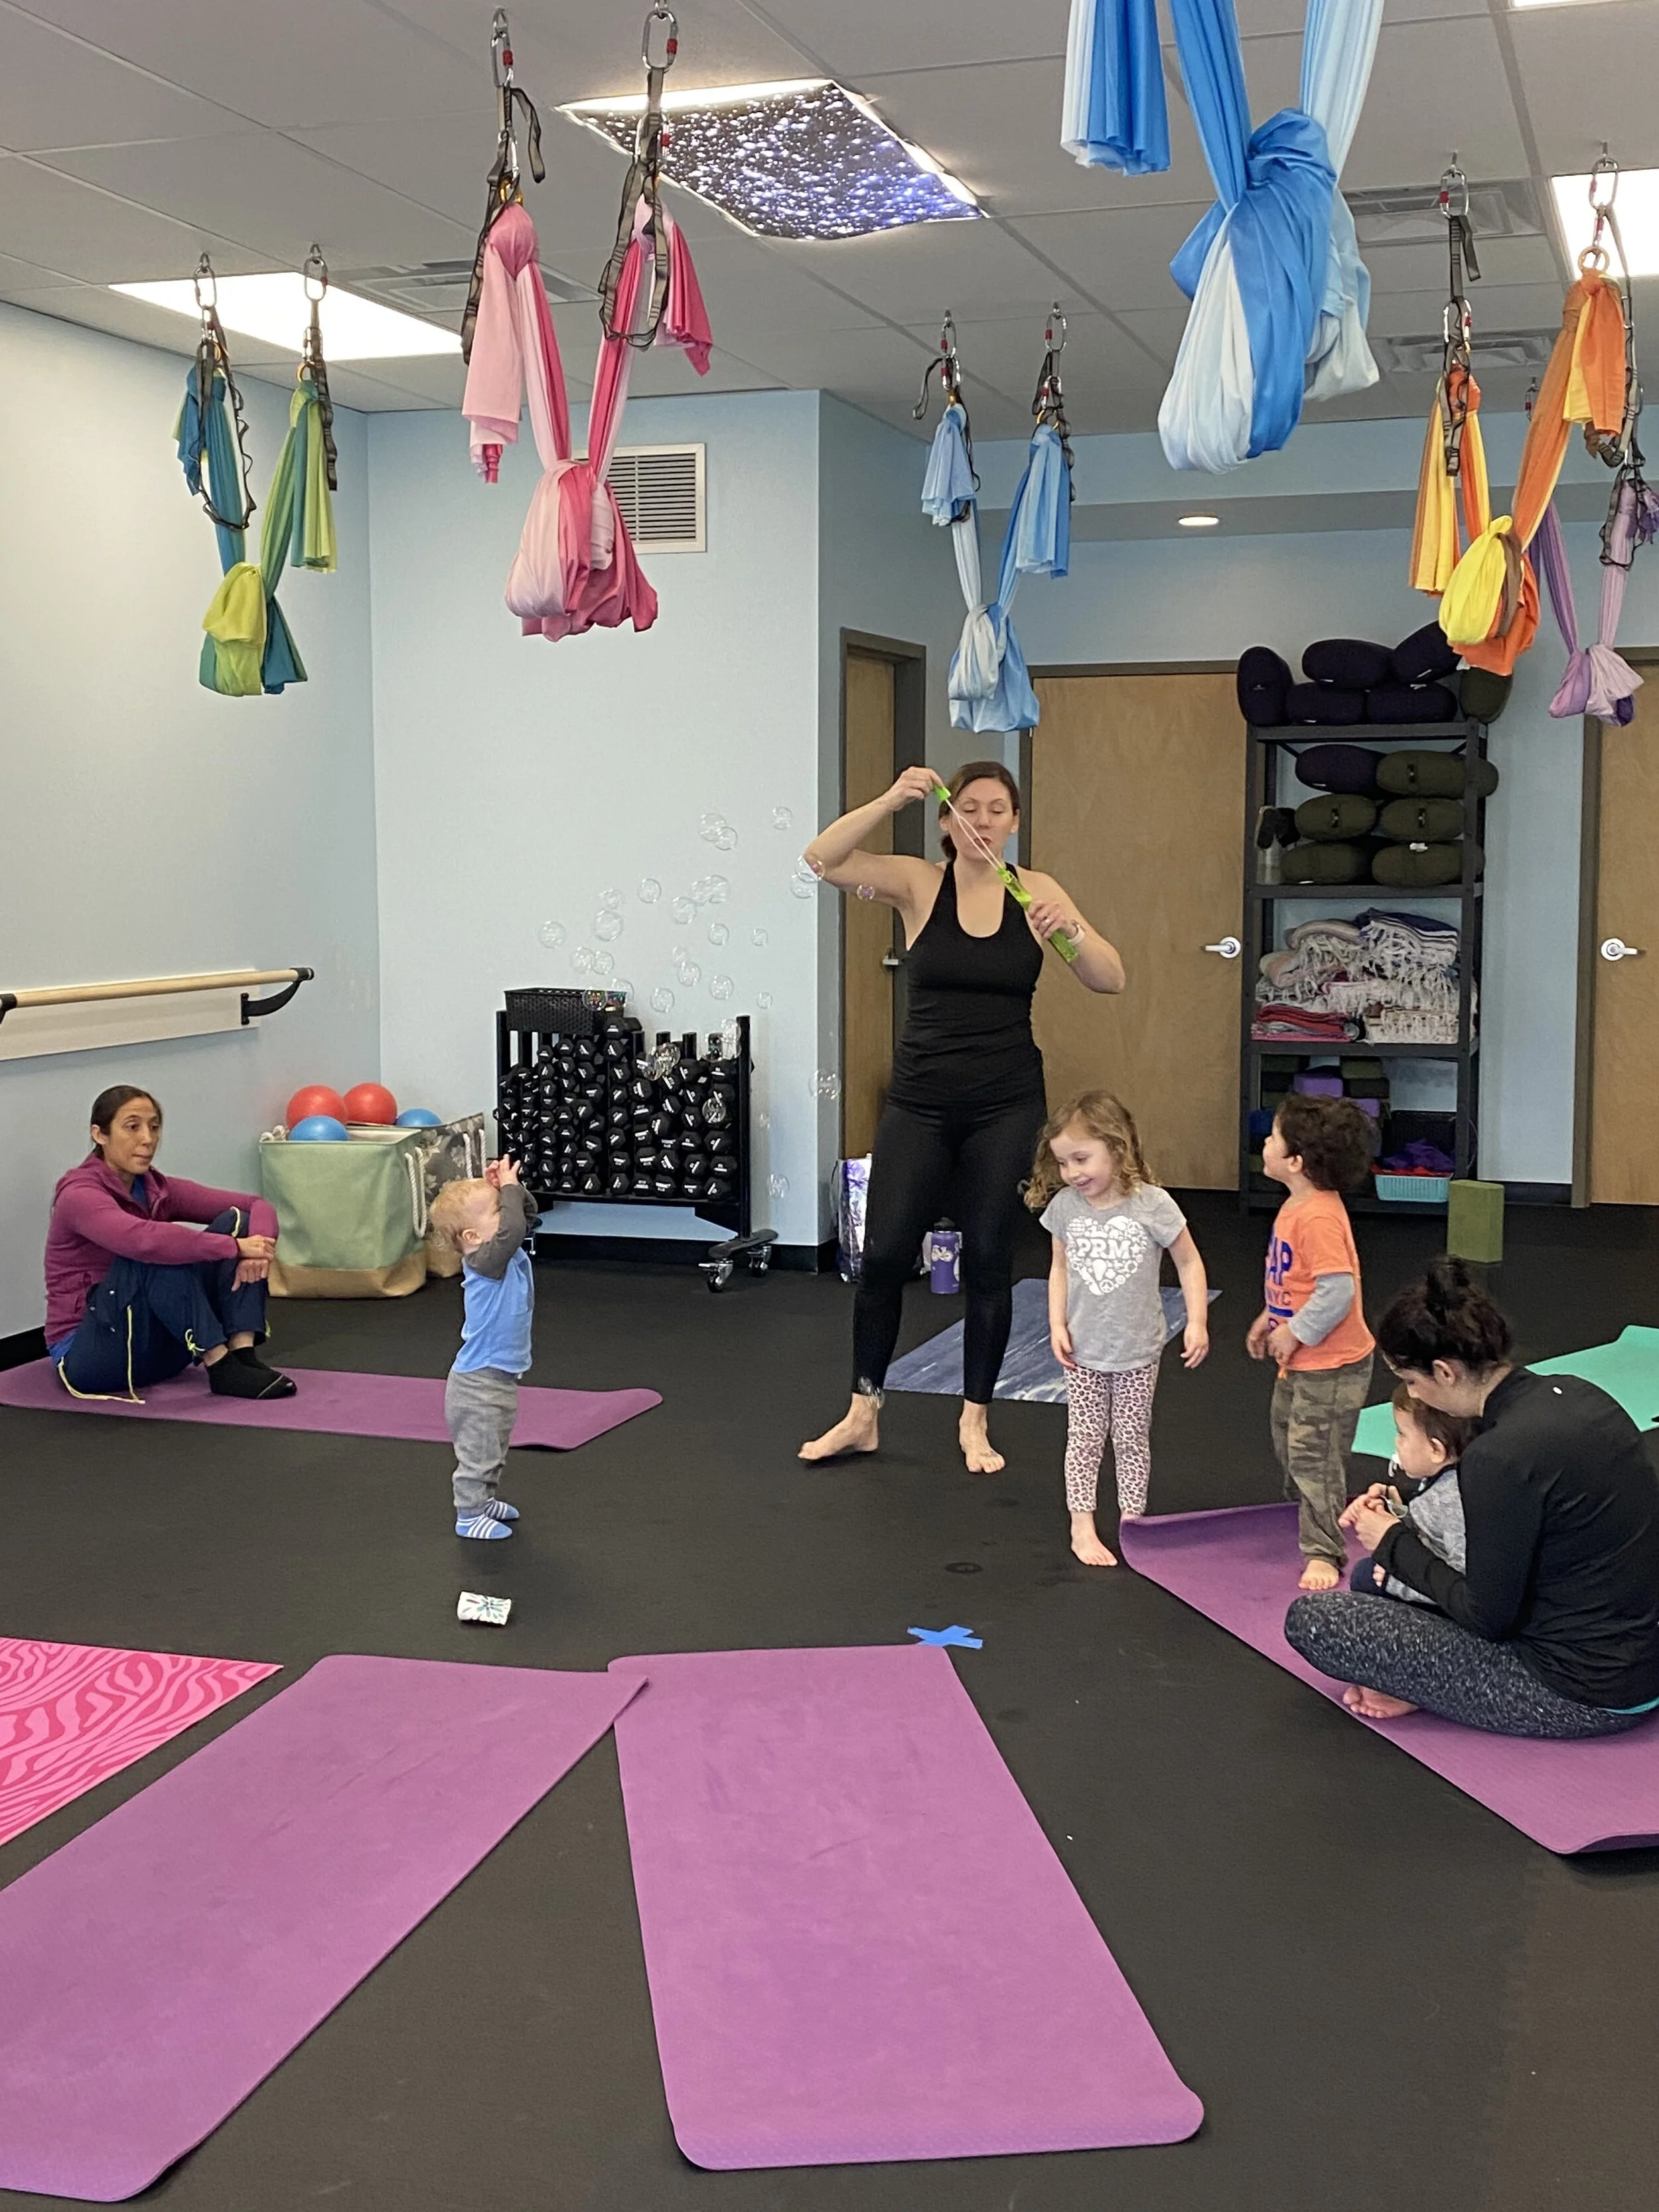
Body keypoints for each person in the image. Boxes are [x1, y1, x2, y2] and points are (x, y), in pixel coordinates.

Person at [798, 761, 1125, 1475]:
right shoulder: (919, 884)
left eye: (996, 809)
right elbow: (821, 859)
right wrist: (890, 798)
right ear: (946, 822)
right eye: (967, 809)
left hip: (1005, 1103)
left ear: (1013, 821)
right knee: (883, 1257)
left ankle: (974, 1421)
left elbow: (1109, 977)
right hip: (918, 1100)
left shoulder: (1035, 891)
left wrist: (1067, 931)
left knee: (986, 1261)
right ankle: (862, 1413)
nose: (981, 821)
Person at [1287, 1258, 1659, 1738]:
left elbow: (1489, 1618)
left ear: (1444, 1371)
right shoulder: (1580, 1397)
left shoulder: (1498, 1458)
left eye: (1412, 1381)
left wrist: (1393, 1542)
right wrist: (1402, 1503)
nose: (1411, 1393)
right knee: (1371, 1581)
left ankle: (1412, 1685)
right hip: (1642, 1659)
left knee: (1315, 1620)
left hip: (1579, 1691)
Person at [1027, 1090, 1209, 1568]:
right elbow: (1059, 1268)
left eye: (1082, 1159)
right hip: (1084, 1348)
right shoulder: (1067, 1207)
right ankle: (1081, 1523)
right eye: (1064, 1163)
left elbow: (1189, 1262)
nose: (1072, 1173)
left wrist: (1197, 1321)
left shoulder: (1153, 1204)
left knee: (1131, 1437)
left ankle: (1134, 1520)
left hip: (1139, 1348)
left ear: (1118, 1146)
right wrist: (1056, 1322)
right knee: (1084, 1437)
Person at [45, 1084, 294, 1402]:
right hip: (90, 1355)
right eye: (132, 1127)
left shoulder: (155, 1187)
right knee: (156, 1251)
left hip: (157, 1349)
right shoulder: (79, 1195)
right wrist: (234, 1249)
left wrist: (256, 1251)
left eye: (154, 1127)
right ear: (100, 1135)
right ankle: (220, 1366)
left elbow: (256, 1206)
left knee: (237, 1223)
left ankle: (242, 1356)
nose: (148, 1139)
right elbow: (143, 1242)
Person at [1246, 1095, 1376, 1591]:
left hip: (1332, 1364)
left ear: (1296, 1161)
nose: (1265, 1141)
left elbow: (1337, 1291)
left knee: (1313, 1453)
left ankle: (1324, 1548)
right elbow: (1297, 1282)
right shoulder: (1297, 1206)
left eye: (1273, 1137)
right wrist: (1271, 1317)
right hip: (1302, 1358)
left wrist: (1295, 1330)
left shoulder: (1318, 1217)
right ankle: (1306, 1509)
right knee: (1286, 1434)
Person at [429, 1157, 540, 1540]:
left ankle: (484, 1501)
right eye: (498, 1208)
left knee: (495, 1445)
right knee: (479, 1453)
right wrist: (506, 1187)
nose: (509, 1212)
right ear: (473, 1236)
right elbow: (513, 1229)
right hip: (478, 1384)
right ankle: (469, 1515)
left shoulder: (499, 1253)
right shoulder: (483, 1261)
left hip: (499, 1376)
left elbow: (525, 1214)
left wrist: (509, 1190)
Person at [1346, 1386, 1470, 1603]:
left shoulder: (1454, 1500)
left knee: (1365, 1577)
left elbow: (1464, 1583)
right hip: (1432, 1576)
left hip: (1449, 1603)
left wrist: (1398, 1584)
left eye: (1402, 1434)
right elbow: (1431, 1529)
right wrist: (1393, 1506)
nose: (1396, 1442)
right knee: (1367, 1571)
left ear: (1436, 1450)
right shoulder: (1444, 1480)